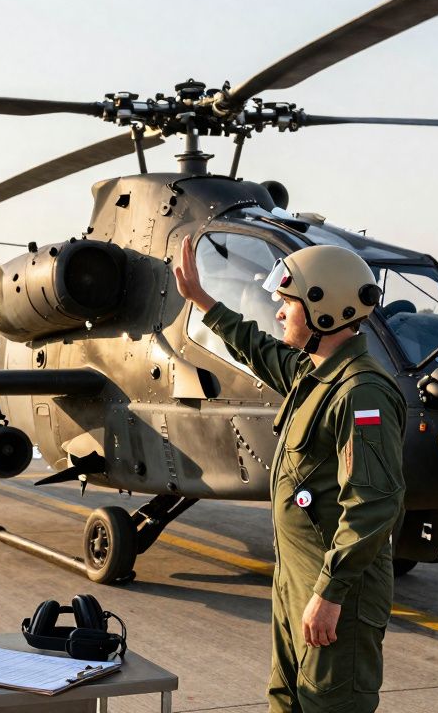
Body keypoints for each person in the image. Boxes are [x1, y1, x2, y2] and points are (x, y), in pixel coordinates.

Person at [174, 236, 405, 713]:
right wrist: (202, 301)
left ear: (326, 312)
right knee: (286, 700)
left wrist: (329, 593)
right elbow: (258, 349)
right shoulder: (314, 373)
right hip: (296, 583)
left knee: (328, 705)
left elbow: (374, 503)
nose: (278, 313)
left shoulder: (361, 394)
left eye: (286, 304)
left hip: (335, 592)